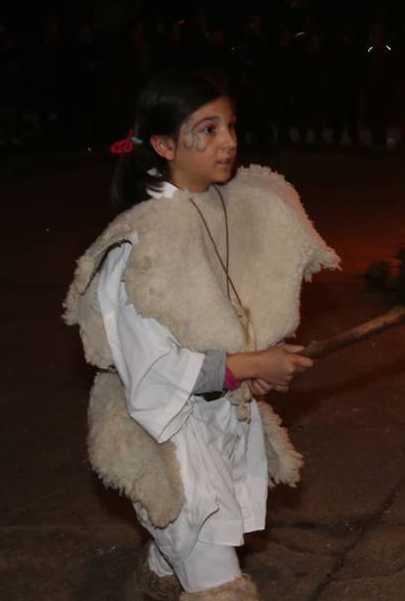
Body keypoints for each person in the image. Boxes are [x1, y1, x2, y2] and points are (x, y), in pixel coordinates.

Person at [63, 71, 339, 599]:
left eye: (230, 126)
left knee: (188, 548)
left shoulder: (219, 208)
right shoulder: (140, 247)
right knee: (215, 576)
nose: (229, 142)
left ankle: (159, 578)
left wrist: (256, 365)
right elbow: (154, 375)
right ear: (165, 145)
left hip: (219, 423)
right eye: (207, 130)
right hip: (168, 439)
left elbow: (224, 322)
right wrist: (252, 366)